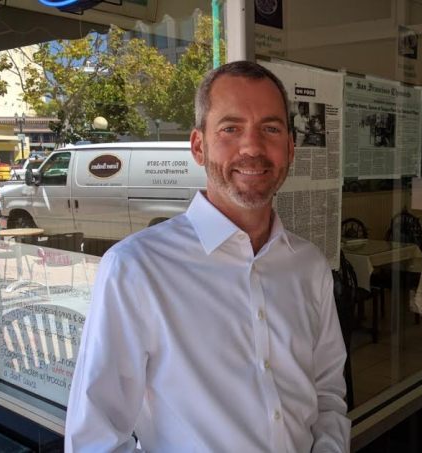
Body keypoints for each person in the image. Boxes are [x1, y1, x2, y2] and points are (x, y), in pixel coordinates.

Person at [65, 61, 350, 452]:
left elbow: (328, 391)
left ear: (290, 148)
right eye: (231, 129)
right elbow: (95, 437)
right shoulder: (137, 269)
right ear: (199, 146)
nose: (252, 147)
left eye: (270, 129)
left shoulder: (309, 265)